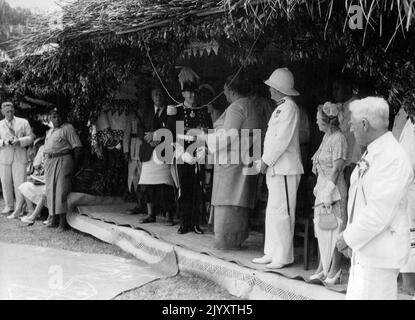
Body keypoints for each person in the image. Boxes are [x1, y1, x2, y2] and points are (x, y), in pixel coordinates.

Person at [336, 97, 413, 300]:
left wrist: (347, 237)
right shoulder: (373, 152)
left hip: (380, 254)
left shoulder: (392, 157)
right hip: (366, 250)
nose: (350, 129)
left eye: (352, 124)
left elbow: (378, 213)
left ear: (364, 123)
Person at [190, 73, 261, 249]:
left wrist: (204, 137)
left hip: (233, 162)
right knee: (238, 201)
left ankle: (226, 241)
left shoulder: (237, 107)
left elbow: (227, 137)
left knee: (229, 201)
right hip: (244, 158)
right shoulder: (250, 105)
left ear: (230, 89)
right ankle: (234, 238)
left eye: (225, 90)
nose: (224, 93)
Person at [252, 67, 304, 269]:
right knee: (273, 211)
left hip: (285, 168)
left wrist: (265, 161)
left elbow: (281, 140)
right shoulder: (281, 108)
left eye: (273, 86)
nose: (270, 90)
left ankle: (283, 255)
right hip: (277, 168)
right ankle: (271, 251)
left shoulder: (289, 108)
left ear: (280, 88)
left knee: (282, 212)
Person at [168, 68, 212, 234]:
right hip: (182, 154)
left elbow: (208, 132)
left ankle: (195, 223)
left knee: (197, 189)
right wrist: (181, 153)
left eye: (194, 93)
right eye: (189, 93)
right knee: (184, 190)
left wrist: (204, 148)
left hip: (198, 153)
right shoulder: (177, 111)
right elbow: (170, 136)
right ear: (183, 94)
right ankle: (184, 223)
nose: (193, 96)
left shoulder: (202, 111)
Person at [309, 102, 348, 284]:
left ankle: (335, 269)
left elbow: (337, 167)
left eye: (318, 120)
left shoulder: (339, 138)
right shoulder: (326, 137)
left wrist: (329, 189)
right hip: (323, 188)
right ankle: (323, 267)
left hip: (334, 191)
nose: (316, 123)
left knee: (334, 228)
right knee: (323, 229)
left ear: (328, 122)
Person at [137, 86, 176, 224]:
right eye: (155, 95)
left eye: (160, 94)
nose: (158, 97)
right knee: (148, 184)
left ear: (164, 96)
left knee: (166, 184)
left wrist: (158, 137)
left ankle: (169, 215)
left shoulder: (171, 111)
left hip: (164, 150)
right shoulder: (147, 112)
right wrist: (148, 139)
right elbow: (139, 128)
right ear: (152, 97)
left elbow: (173, 128)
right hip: (149, 151)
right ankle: (150, 214)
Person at [43, 107, 82, 229]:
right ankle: (53, 219)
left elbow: (78, 148)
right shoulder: (50, 131)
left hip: (63, 160)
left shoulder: (68, 128)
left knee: (61, 191)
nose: (57, 118)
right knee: (51, 191)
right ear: (50, 118)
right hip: (50, 162)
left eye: (59, 116)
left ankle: (63, 222)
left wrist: (74, 167)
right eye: (54, 116)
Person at [0, 102, 33, 216]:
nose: (10, 113)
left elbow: (30, 138)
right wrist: (3, 142)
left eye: (11, 111)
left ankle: (21, 206)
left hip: (19, 155)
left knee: (20, 182)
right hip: (5, 156)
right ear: (2, 112)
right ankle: (8, 206)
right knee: (5, 182)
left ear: (14, 111)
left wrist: (20, 141)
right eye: (7, 112)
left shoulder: (23, 122)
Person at [332, 74, 361, 188]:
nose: (334, 93)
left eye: (337, 89)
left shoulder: (357, 106)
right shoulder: (340, 107)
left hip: (351, 162)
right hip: (341, 162)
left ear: (348, 87)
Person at [398, 112, 415, 295]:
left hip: (411, 186)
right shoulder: (410, 121)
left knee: (411, 234)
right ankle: (408, 282)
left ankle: (409, 283)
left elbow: (410, 161)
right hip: (408, 186)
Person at [123, 100, 145, 214]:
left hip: (144, 149)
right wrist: (126, 151)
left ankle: (145, 204)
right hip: (133, 149)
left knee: (144, 177)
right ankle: (139, 203)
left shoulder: (148, 113)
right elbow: (126, 134)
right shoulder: (132, 116)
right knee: (133, 177)